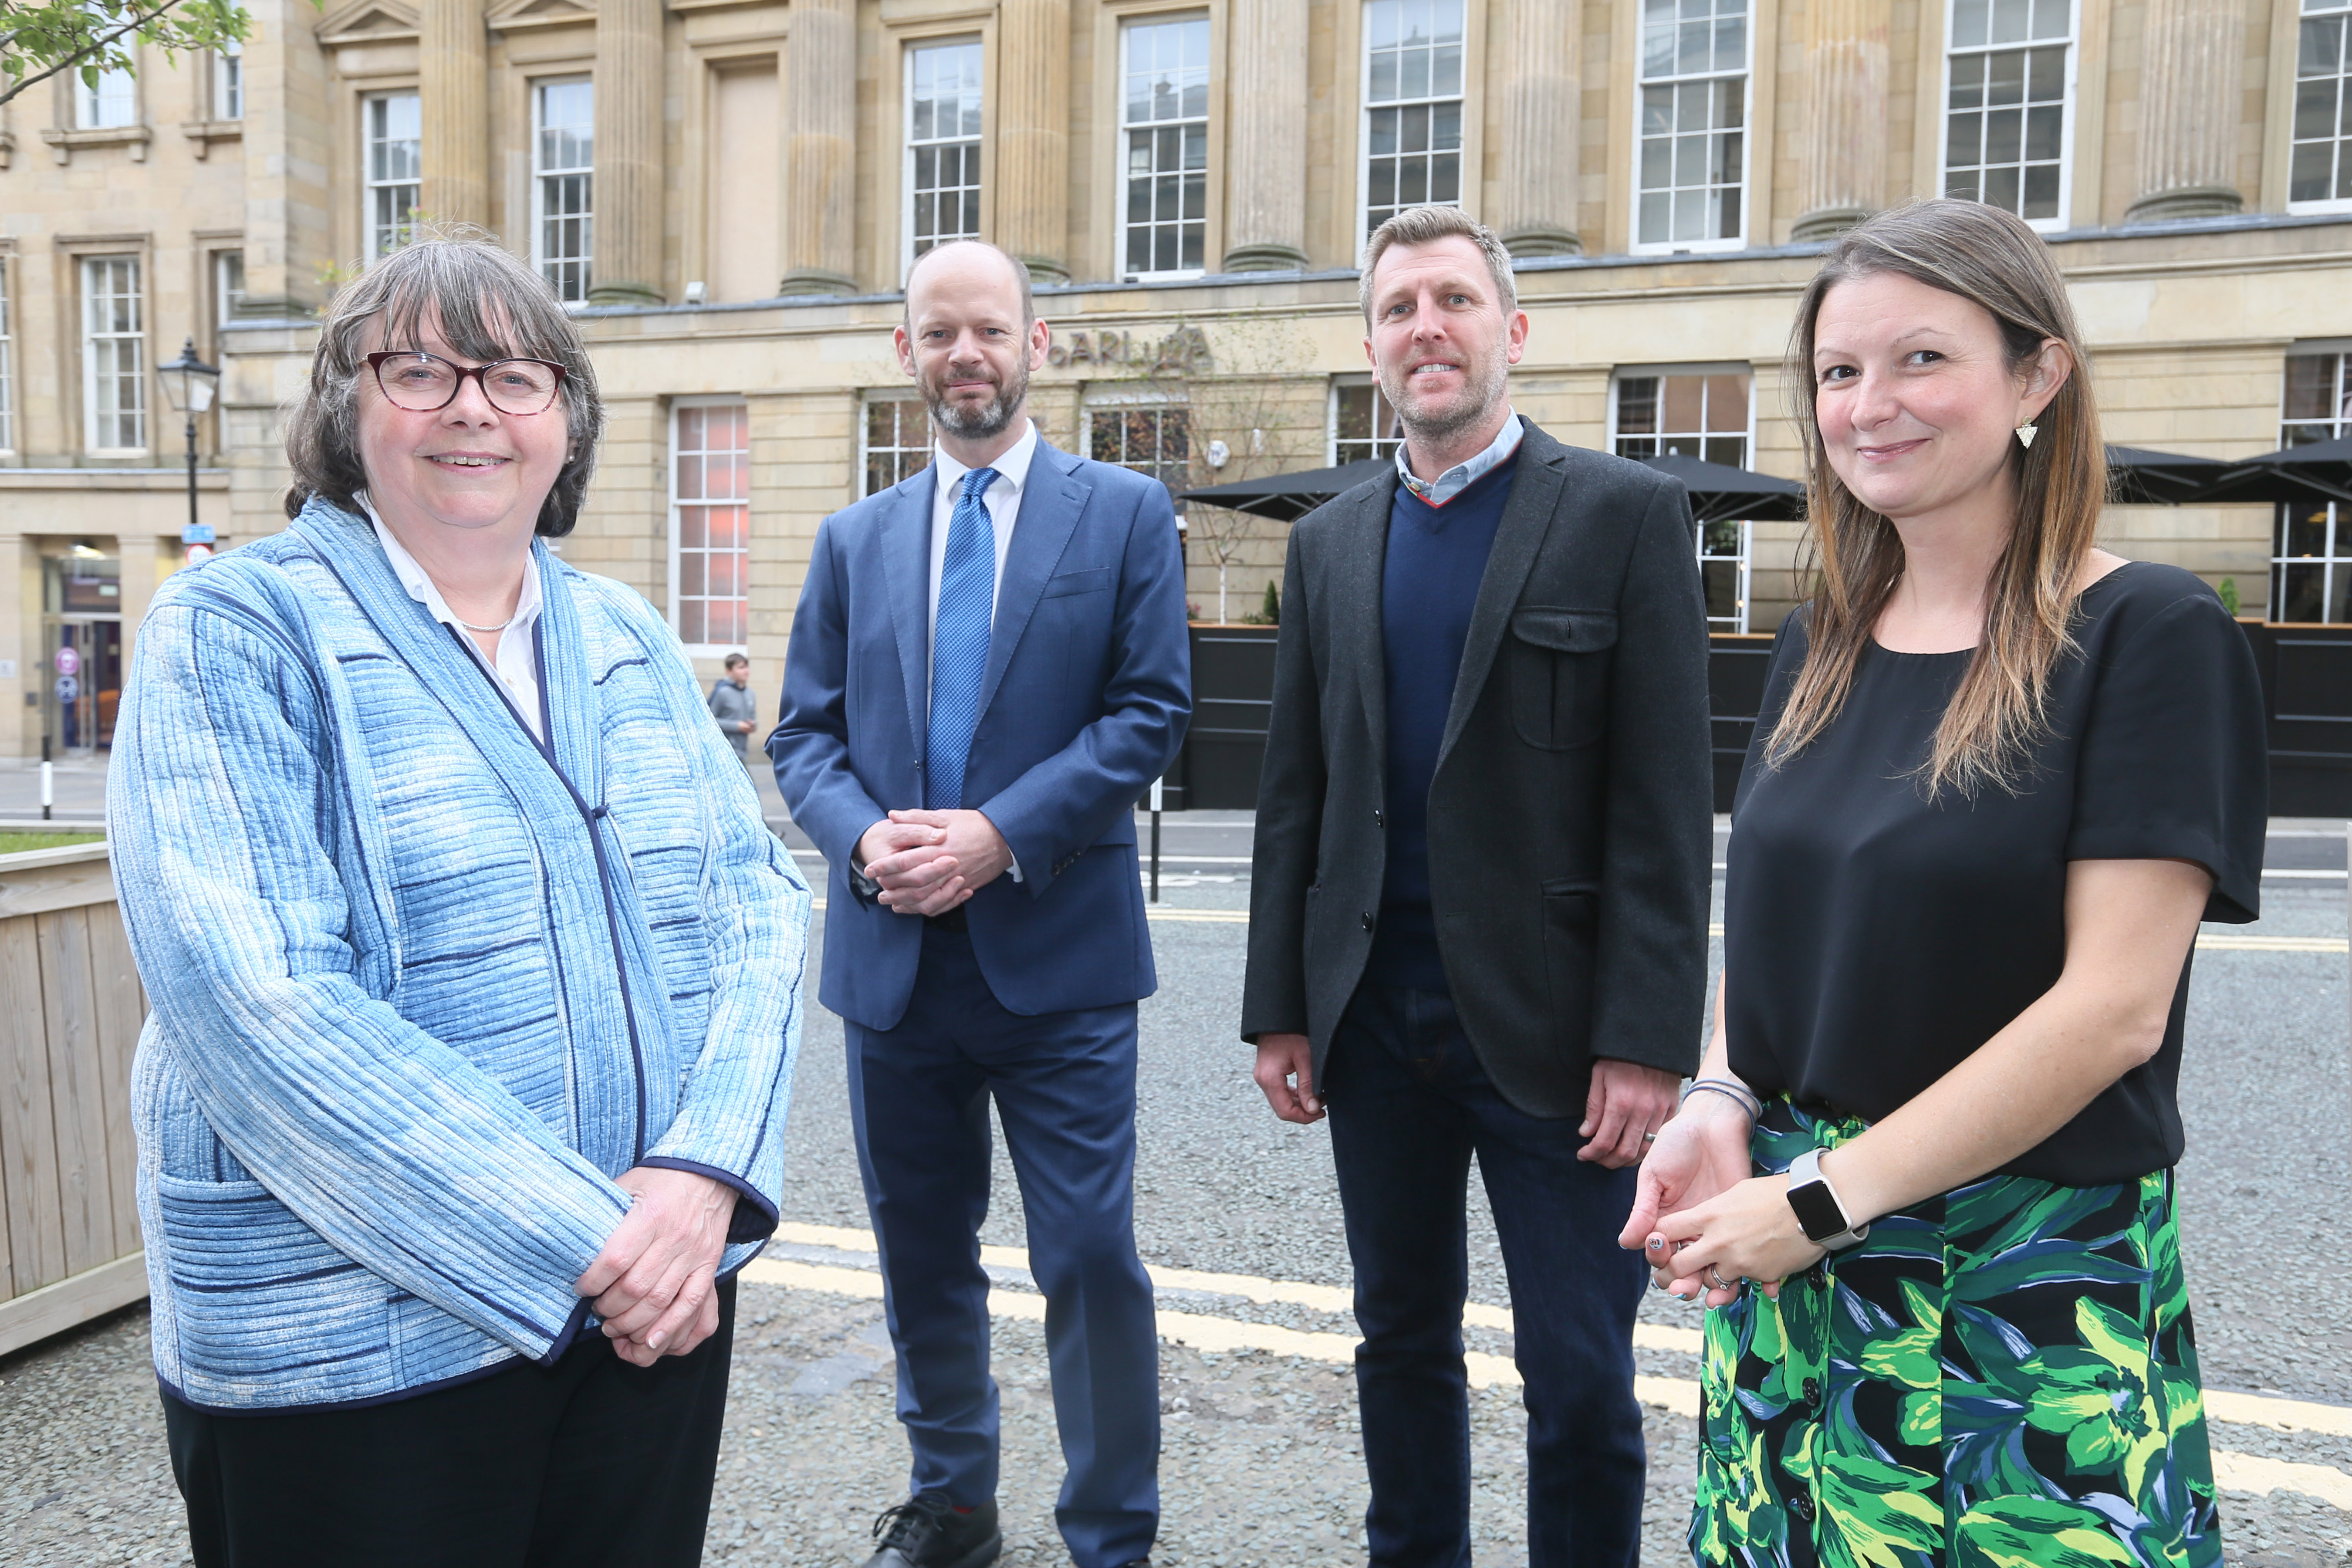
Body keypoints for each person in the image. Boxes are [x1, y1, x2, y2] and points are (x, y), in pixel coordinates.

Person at [107, 234, 811, 1568]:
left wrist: (707, 1177)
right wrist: (609, 1240)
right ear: (345, 409)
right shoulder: (233, 628)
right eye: (419, 369)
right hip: (351, 1347)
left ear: (566, 423)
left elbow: (756, 907)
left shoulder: (626, 636)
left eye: (516, 374)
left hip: (646, 1324)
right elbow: (252, 997)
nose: (474, 405)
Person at [1622, 199, 2265, 1568]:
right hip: (1797, 1275)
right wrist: (1722, 1098)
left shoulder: (2151, 634)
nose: (1872, 406)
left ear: (2038, 378)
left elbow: (2114, 1013)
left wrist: (1819, 1200)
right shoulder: (1823, 640)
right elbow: (1782, 928)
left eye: (1922, 360)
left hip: (2020, 1297)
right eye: (1841, 372)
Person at [1241, 205, 1714, 1568]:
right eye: (1398, 309)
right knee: (1398, 1342)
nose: (1425, 327)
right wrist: (1284, 1007)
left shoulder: (1624, 517)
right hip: (1376, 1024)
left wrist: (1645, 1040)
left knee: (1578, 1375)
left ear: (1512, 331)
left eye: (1453, 299)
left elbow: (1664, 806)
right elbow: (1297, 797)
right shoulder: (1328, 545)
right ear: (1372, 349)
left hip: (1561, 1041)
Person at [770, 239, 1190, 1568]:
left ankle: (1111, 1530)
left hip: (1059, 959)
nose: (967, 355)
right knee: (921, 1260)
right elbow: (804, 741)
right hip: (893, 964)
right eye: (940, 333)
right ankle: (954, 1503)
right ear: (907, 352)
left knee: (1087, 1260)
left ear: (1036, 344)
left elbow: (1150, 714)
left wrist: (996, 837)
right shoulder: (855, 539)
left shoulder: (1122, 513)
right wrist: (863, 844)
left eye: (990, 331)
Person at [710, 650, 759, 757]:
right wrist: (737, 726)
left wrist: (752, 725)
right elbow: (709, 721)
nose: (746, 671)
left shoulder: (750, 693)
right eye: (741, 668)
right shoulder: (722, 692)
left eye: (747, 667)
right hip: (723, 752)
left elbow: (754, 718)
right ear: (729, 671)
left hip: (742, 752)